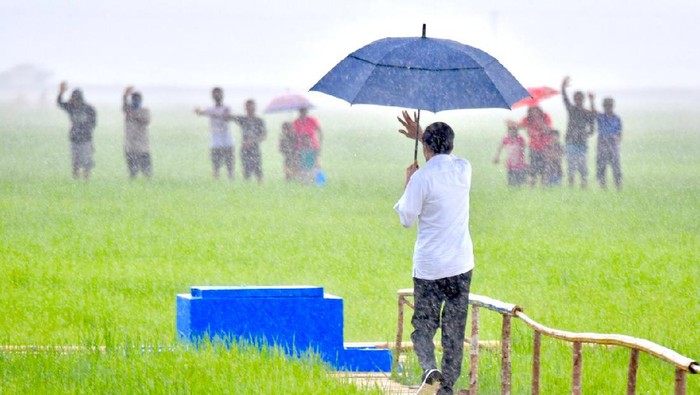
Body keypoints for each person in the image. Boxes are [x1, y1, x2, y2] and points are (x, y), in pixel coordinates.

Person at [394, 111, 474, 395]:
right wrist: (424, 135)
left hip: (429, 268)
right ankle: (446, 388)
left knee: (424, 326)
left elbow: (406, 218)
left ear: (426, 148)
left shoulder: (421, 178)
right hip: (460, 265)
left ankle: (430, 369)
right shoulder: (464, 169)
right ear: (451, 146)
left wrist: (409, 181)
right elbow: (443, 154)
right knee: (454, 330)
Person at [57, 81, 97, 180]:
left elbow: (93, 123)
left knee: (87, 162)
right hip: (74, 139)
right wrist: (61, 92)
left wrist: (85, 131)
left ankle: (86, 180)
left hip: (86, 139)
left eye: (73, 98)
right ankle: (76, 179)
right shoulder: (71, 107)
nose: (71, 100)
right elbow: (60, 103)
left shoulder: (89, 109)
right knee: (75, 162)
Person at [561, 76, 596, 188]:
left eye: (580, 99)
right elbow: (565, 99)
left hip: (581, 144)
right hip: (571, 143)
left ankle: (583, 188)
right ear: (574, 99)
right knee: (571, 168)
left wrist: (592, 102)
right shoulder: (572, 110)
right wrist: (563, 87)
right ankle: (572, 188)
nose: (578, 101)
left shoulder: (586, 112)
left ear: (583, 100)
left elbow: (592, 122)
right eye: (576, 99)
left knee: (582, 169)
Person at [195, 87, 234, 180]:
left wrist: (212, 114)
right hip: (216, 143)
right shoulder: (210, 109)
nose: (217, 95)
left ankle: (231, 183)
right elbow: (199, 112)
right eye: (215, 94)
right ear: (212, 96)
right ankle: (216, 184)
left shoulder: (227, 107)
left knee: (230, 166)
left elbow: (227, 116)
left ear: (222, 95)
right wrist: (200, 110)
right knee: (216, 167)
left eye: (219, 93)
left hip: (227, 142)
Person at [228, 99, 267, 183]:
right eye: (248, 107)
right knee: (246, 171)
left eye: (252, 107)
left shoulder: (259, 121)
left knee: (258, 171)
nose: (250, 109)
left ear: (255, 108)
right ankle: (248, 189)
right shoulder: (243, 119)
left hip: (255, 149)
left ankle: (261, 189)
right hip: (245, 149)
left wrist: (253, 141)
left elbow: (264, 136)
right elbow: (229, 117)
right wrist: (225, 112)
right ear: (245, 108)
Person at [592, 96, 623, 190]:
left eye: (609, 106)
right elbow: (593, 112)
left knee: (616, 168)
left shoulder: (617, 118)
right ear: (604, 106)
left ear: (613, 106)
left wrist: (616, 138)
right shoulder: (601, 117)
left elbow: (619, 133)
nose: (608, 108)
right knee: (601, 168)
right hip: (602, 145)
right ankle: (603, 188)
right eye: (606, 106)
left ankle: (619, 188)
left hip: (613, 145)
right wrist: (592, 101)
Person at [518, 106, 552, 187]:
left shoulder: (545, 117)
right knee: (533, 168)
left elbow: (548, 130)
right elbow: (520, 126)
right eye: (532, 111)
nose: (534, 113)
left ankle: (544, 186)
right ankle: (532, 186)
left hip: (545, 147)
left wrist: (540, 122)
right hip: (534, 147)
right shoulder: (528, 119)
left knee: (544, 168)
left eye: (536, 110)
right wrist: (513, 123)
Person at [122, 86, 152, 179]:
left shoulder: (144, 111)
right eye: (134, 99)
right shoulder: (128, 110)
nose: (136, 101)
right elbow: (124, 106)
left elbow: (146, 120)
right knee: (133, 172)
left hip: (142, 146)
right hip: (131, 146)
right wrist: (125, 95)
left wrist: (134, 113)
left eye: (137, 99)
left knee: (147, 172)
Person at [293, 107, 323, 184]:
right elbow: (294, 135)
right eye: (302, 111)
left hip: (312, 145)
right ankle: (303, 179)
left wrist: (319, 144)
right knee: (301, 163)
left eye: (305, 111)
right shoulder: (296, 122)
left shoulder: (312, 120)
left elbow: (319, 131)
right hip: (300, 146)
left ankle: (317, 179)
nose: (303, 112)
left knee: (314, 162)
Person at [493, 120, 527, 187]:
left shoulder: (520, 139)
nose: (512, 132)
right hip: (510, 164)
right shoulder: (506, 139)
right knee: (511, 182)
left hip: (519, 164)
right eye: (510, 130)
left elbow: (524, 148)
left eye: (514, 130)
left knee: (519, 182)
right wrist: (497, 156)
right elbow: (500, 147)